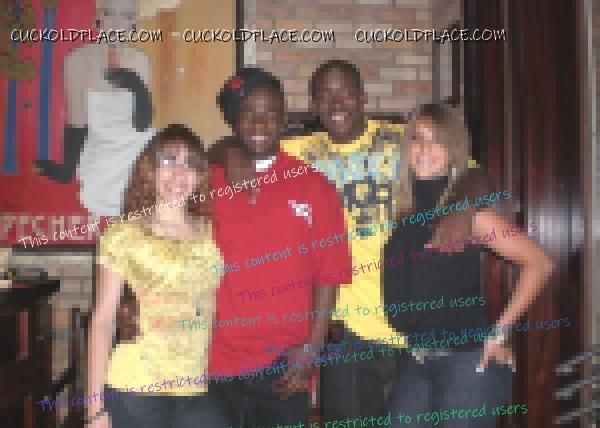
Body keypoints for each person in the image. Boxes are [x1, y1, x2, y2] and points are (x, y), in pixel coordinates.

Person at [383, 103, 554, 427]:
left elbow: (540, 263)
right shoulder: (406, 215)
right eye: (418, 138)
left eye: (438, 140)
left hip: (464, 359)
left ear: (453, 152)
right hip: (416, 358)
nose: (425, 149)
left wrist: (499, 333)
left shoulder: (466, 213)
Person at [208, 67, 352, 428]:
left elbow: (329, 275)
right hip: (215, 360)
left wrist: (312, 349)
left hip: (284, 363)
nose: (260, 124)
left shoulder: (314, 187)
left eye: (271, 113)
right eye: (249, 114)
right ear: (234, 120)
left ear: (284, 118)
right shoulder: (207, 182)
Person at [86, 124, 229, 428]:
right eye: (168, 161)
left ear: (200, 176)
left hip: (194, 386)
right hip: (136, 387)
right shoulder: (123, 234)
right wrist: (95, 409)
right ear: (150, 170)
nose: (179, 173)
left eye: (190, 164)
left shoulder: (209, 232)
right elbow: (102, 320)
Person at [33, 0, 153, 218]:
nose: (116, 23)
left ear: (134, 23)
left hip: (138, 151)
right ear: (98, 18)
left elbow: (143, 125)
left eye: (126, 16)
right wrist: (67, 169)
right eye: (109, 14)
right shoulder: (77, 61)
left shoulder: (141, 61)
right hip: (100, 157)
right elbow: (77, 123)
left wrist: (138, 87)